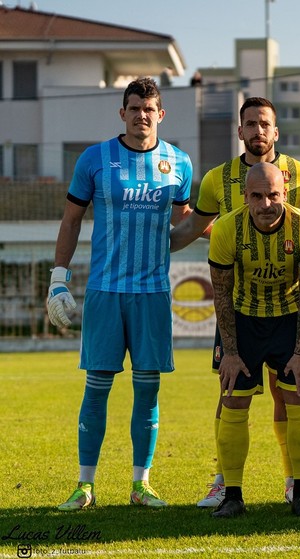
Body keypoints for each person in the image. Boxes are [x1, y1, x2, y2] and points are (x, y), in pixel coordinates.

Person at [170, 96, 300, 508]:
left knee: (291, 394)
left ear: (275, 132)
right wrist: (153, 246)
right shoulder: (217, 179)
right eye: (250, 124)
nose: (258, 130)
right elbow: (195, 225)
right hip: (239, 308)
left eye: (265, 124)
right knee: (229, 392)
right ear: (239, 131)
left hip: (288, 305)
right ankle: (224, 482)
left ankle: (293, 481)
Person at [50, 77, 193, 511]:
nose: (141, 115)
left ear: (161, 114)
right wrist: (59, 277)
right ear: (122, 113)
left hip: (152, 292)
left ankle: (140, 484)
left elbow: (184, 226)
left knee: (147, 390)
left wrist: (211, 225)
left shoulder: (178, 162)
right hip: (104, 291)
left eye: (149, 109)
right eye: (134, 108)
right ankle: (84, 486)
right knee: (96, 388)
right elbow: (72, 220)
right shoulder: (95, 159)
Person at [206, 162, 300, 518]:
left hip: (289, 319)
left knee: (298, 397)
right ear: (245, 197)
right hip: (243, 320)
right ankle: (232, 496)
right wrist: (229, 352)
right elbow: (222, 295)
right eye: (257, 195)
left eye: (273, 194)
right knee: (233, 400)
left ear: (284, 193)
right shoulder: (227, 229)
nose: (266, 203)